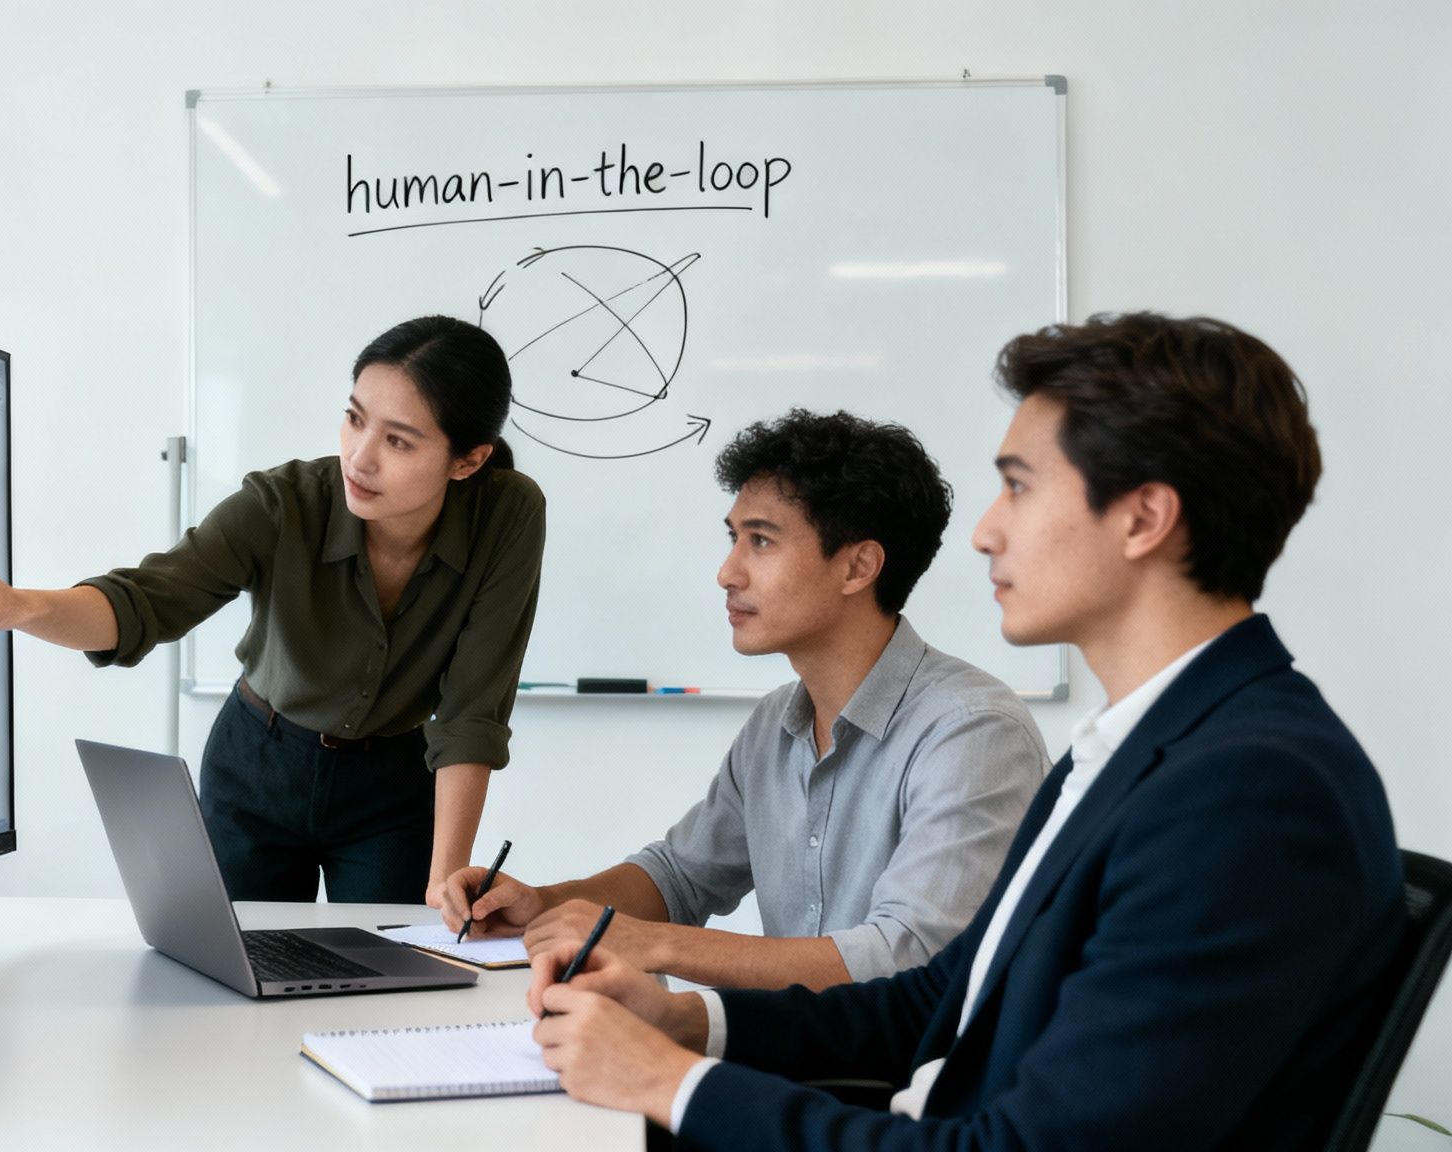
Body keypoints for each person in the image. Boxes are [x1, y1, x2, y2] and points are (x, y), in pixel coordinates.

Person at [526, 313, 1405, 1150]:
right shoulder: (1135, 750)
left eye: (1019, 485)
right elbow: (939, 1002)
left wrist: (669, 1085)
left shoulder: (1247, 791)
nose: (985, 532)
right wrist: (686, 1020)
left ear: (1143, 517)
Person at [0, 315, 545, 905]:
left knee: (388, 978)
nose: (360, 456)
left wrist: (445, 880)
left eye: (399, 442)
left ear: (469, 459)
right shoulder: (282, 503)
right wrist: (15, 606)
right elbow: (144, 603)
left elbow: (471, 711)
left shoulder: (509, 515)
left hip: (393, 787)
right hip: (259, 766)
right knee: (235, 982)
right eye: (354, 418)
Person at [441, 410, 1048, 991]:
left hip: (914, 1083)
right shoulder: (775, 724)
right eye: (734, 538)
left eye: (760, 542)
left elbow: (904, 958)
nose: (727, 573)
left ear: (859, 566)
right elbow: (679, 878)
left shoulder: (974, 733)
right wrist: (542, 904)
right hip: (793, 1059)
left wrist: (653, 946)